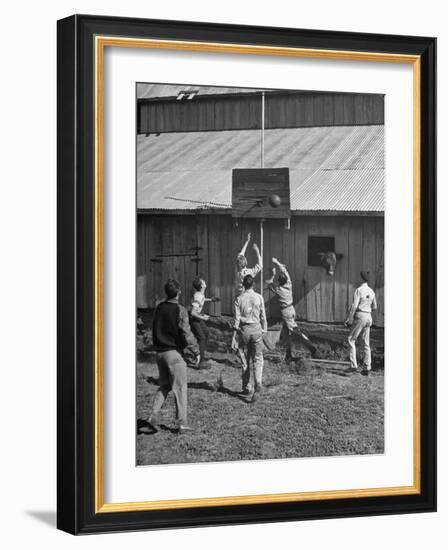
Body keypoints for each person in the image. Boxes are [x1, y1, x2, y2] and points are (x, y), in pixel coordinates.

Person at [144, 278, 200, 434]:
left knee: (164, 386)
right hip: (173, 355)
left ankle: (152, 417)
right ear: (179, 292)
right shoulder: (180, 310)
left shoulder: (159, 308)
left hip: (159, 354)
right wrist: (196, 350)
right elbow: (186, 333)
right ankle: (182, 423)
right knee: (181, 388)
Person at [265, 257, 316, 360]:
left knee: (295, 331)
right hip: (291, 309)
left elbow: (269, 283)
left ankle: (311, 347)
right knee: (285, 335)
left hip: (286, 312)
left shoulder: (279, 290)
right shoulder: (289, 284)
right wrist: (277, 263)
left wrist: (273, 274)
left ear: (279, 282)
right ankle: (288, 355)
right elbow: (284, 270)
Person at [231, 274, 267, 402]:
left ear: (243, 285)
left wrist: (233, 337)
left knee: (244, 359)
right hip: (257, 328)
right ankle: (258, 382)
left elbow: (236, 320)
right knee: (258, 358)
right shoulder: (259, 297)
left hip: (244, 330)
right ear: (253, 284)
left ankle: (247, 386)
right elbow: (263, 316)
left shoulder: (239, 299)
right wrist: (264, 330)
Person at [345, 271, 377, 375]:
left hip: (360, 315)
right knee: (365, 343)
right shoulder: (371, 291)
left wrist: (350, 319)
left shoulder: (359, 290)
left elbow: (354, 306)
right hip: (368, 316)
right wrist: (367, 307)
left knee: (351, 339)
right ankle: (367, 367)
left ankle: (353, 365)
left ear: (361, 279)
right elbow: (375, 307)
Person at [189, 276, 220, 369]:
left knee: (206, 333)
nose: (204, 281)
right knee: (202, 337)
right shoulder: (198, 296)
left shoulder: (200, 294)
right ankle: (201, 361)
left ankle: (198, 354)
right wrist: (204, 317)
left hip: (198, 318)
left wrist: (211, 300)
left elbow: (202, 299)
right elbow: (193, 312)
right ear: (202, 285)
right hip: (194, 319)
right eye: (203, 281)